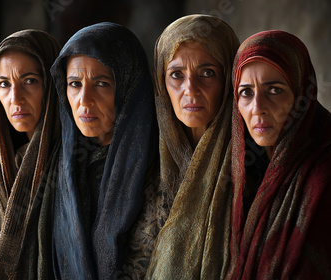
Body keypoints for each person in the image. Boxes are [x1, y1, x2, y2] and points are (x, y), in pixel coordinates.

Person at [49, 22, 159, 279]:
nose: (84, 101)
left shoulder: (160, 169)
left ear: (129, 88)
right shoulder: (54, 168)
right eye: (74, 84)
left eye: (101, 84)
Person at [226, 30, 331, 279]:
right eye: (246, 92)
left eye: (274, 90)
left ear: (301, 94)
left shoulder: (323, 177)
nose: (258, 108)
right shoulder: (249, 172)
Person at [144, 15, 239, 279]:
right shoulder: (144, 166)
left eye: (207, 73)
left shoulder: (251, 165)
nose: (191, 90)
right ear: (161, 83)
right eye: (176, 75)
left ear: (230, 78)